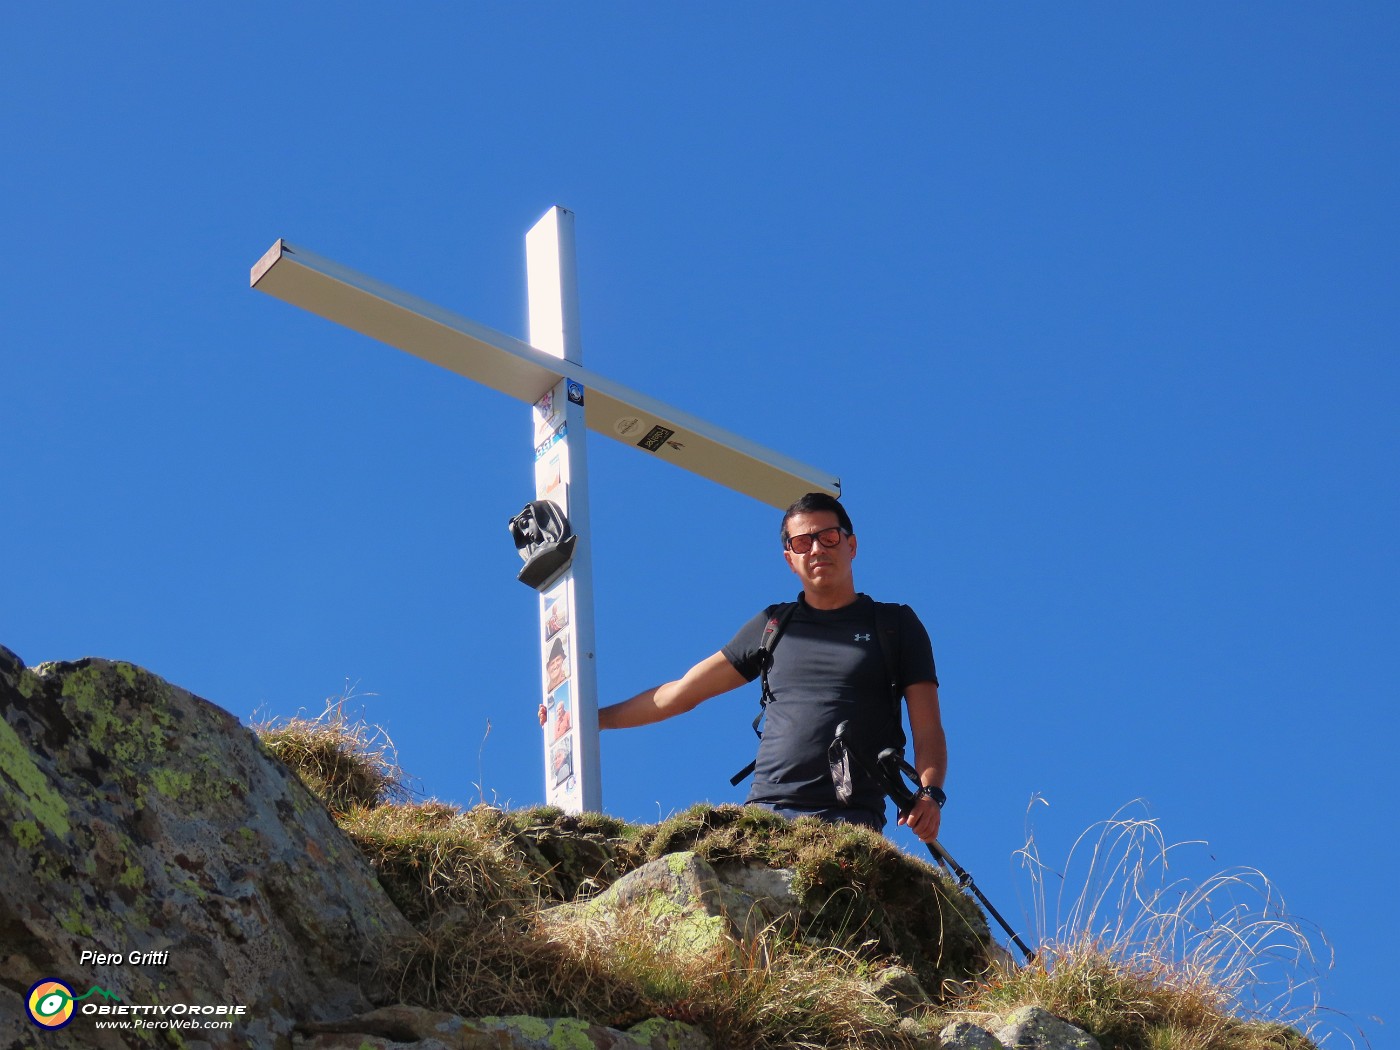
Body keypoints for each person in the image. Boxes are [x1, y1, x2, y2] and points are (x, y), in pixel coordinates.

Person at [542, 493, 946, 842]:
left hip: (850, 817)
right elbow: (680, 694)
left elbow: (927, 727)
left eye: (829, 537)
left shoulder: (894, 625)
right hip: (767, 811)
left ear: (851, 544)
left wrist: (929, 794)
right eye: (802, 542)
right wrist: (590, 721)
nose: (818, 549)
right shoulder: (774, 626)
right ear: (789, 558)